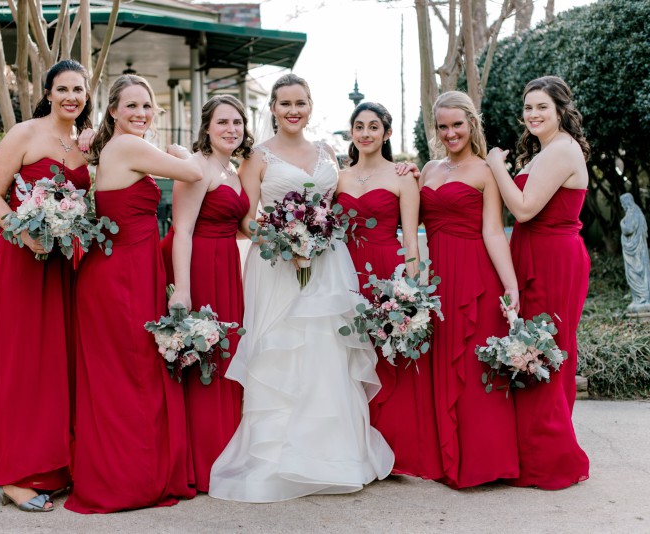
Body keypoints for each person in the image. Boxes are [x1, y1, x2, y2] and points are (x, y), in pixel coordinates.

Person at [209, 74, 394, 502]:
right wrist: (282, 240)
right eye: (285, 103)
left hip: (328, 262)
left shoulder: (328, 151)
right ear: (272, 108)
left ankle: (334, 453)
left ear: (311, 106)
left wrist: (402, 167)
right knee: (280, 349)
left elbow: (359, 183)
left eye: (301, 102)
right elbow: (244, 217)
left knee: (327, 350)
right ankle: (276, 457)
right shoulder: (256, 157)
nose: (293, 110)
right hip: (276, 264)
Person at [64, 74, 203, 514]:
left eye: (148, 106)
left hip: (128, 269)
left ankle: (136, 471)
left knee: (132, 374)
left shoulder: (119, 148)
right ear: (113, 111)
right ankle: (130, 480)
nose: (141, 113)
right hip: (120, 275)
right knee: (131, 375)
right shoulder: (127, 147)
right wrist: (179, 149)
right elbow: (194, 171)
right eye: (132, 106)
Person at [0, 59, 92, 512]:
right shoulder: (24, 135)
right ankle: (14, 476)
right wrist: (21, 230)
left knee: (60, 362)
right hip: (24, 258)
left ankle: (54, 465)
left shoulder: (86, 143)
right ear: (48, 93)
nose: (71, 97)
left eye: (79, 90)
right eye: (63, 88)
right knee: (25, 361)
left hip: (67, 264)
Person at [486, 75, 590, 489]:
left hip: (552, 259)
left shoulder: (562, 150)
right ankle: (533, 452)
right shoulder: (547, 151)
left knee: (545, 351)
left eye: (541, 107)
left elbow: (525, 209)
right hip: (534, 253)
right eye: (528, 108)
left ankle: (552, 459)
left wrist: (496, 164)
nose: (532, 115)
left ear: (561, 110)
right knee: (530, 348)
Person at [334, 101, 442, 480]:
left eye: (373, 126)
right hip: (345, 273)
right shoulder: (338, 178)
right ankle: (356, 449)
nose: (365, 133)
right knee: (349, 359)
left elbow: (412, 242)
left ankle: (400, 450)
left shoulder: (403, 177)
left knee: (389, 356)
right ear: (351, 132)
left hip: (386, 272)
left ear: (386, 133)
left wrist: (410, 292)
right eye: (359, 126)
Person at [419, 90, 520, 489]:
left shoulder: (485, 170)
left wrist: (510, 285)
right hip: (437, 279)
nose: (450, 133)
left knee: (475, 368)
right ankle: (447, 460)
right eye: (442, 127)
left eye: (456, 125)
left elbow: (494, 230)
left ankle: (483, 462)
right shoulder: (427, 169)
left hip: (476, 276)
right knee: (443, 366)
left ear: (471, 123)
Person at [160, 95, 252, 492]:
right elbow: (182, 229)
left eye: (238, 122)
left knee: (226, 355)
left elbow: (241, 226)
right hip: (200, 266)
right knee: (203, 357)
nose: (232, 129)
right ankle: (203, 459)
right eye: (223, 122)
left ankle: (227, 453)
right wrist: (182, 289)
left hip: (227, 264)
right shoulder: (196, 167)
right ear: (207, 127)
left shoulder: (231, 169)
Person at [619, 193, 650, 313]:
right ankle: (641, 298)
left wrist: (621, 223)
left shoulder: (632, 213)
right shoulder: (638, 212)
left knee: (635, 273)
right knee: (639, 273)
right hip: (638, 250)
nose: (622, 206)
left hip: (635, 252)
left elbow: (628, 230)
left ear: (626, 202)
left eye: (622, 203)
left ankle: (643, 298)